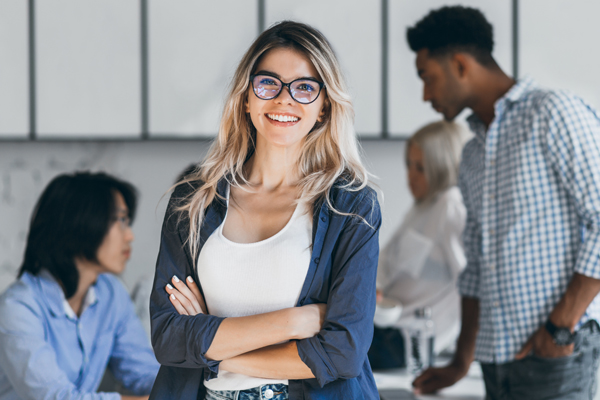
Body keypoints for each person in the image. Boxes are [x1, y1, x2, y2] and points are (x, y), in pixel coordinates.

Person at [148, 21, 381, 400]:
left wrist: (215, 351)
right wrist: (296, 321)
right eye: (268, 83)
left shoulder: (352, 208)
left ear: (324, 107)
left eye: (304, 87)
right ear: (246, 98)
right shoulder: (192, 201)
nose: (284, 99)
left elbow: (343, 354)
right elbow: (169, 339)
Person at [406, 6, 600, 399]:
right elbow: (475, 263)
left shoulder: (552, 113)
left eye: (427, 77)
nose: (425, 95)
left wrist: (559, 329)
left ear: (460, 64)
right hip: (496, 358)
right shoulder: (473, 154)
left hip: (554, 352)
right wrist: (461, 361)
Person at [0, 172, 160, 400]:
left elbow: (142, 373)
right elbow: (56, 397)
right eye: (121, 221)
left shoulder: (111, 294)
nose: (130, 236)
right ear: (81, 223)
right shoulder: (17, 308)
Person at [370, 120, 470, 369]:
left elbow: (472, 283)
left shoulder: (451, 207)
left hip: (407, 339)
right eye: (409, 166)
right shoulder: (423, 208)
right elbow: (385, 259)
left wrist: (463, 359)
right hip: (385, 325)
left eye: (421, 169)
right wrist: (376, 286)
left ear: (442, 168)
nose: (410, 177)